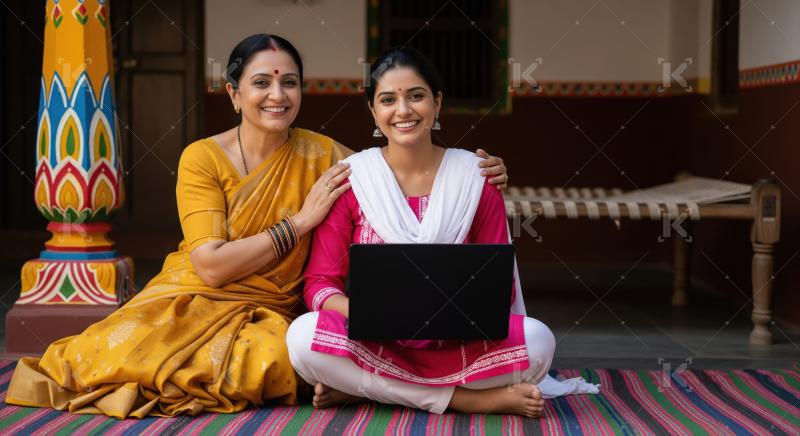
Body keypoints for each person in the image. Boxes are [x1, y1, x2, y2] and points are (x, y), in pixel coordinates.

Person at [5, 35, 510, 418]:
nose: (277, 95)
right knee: (105, 357)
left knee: (273, 356)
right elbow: (210, 266)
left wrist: (473, 171)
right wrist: (301, 222)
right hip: (189, 296)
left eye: (289, 82)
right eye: (262, 83)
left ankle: (357, 385)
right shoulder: (202, 158)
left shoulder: (326, 156)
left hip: (272, 313)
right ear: (233, 93)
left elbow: (394, 175)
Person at [286, 47, 598, 418]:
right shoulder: (354, 180)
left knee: (539, 341)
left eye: (415, 96)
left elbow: (500, 287)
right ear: (373, 110)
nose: (403, 110)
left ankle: (365, 389)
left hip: (458, 341)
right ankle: (470, 400)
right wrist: (373, 315)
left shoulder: (476, 177)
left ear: (436, 102)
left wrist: (449, 316)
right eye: (388, 100)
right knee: (301, 336)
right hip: (375, 339)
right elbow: (320, 285)